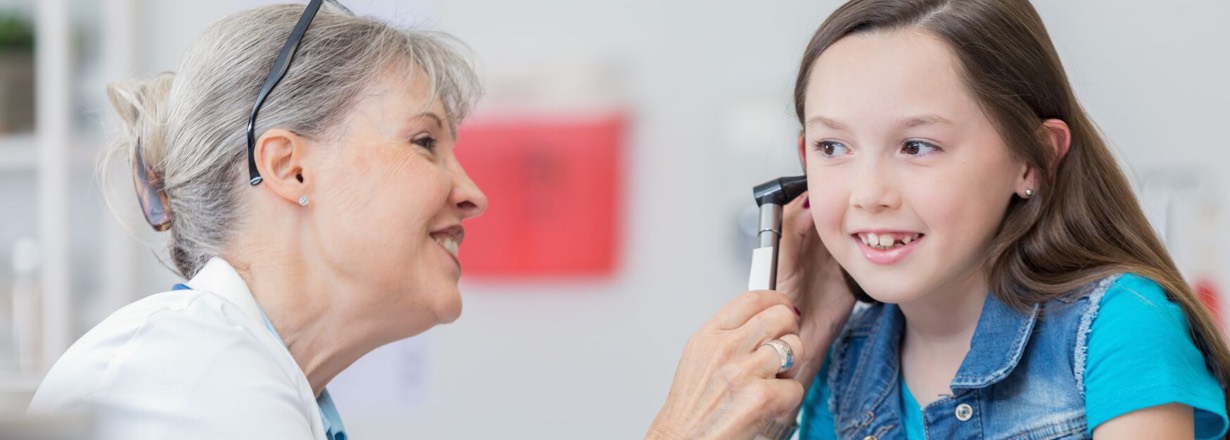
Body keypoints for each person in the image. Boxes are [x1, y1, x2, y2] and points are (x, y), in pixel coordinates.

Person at [27, 2, 806, 439]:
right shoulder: (184, 388)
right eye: (425, 142)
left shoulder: (247, 383)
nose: (472, 193)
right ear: (291, 167)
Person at [768, 0, 1230, 438]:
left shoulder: (1121, 326)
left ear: (1033, 160)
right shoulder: (845, 364)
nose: (868, 195)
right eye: (832, 148)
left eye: (917, 146)